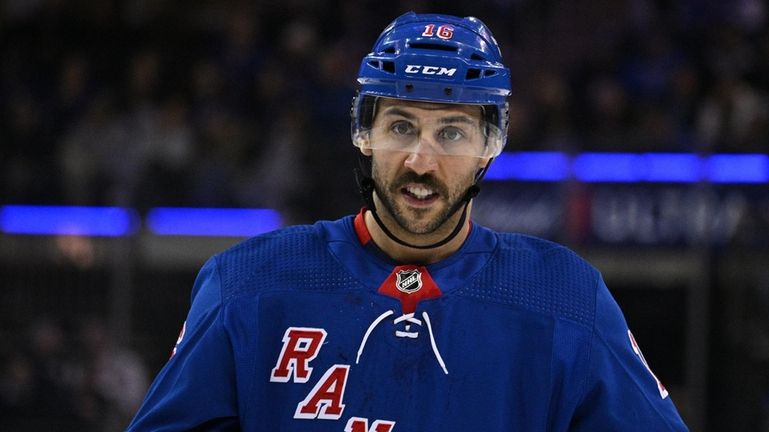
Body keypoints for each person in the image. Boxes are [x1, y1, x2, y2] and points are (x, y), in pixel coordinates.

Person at [128, 12, 689, 431]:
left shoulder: (566, 297)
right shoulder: (248, 284)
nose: (421, 160)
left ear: (489, 146)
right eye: (401, 127)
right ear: (364, 133)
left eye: (451, 132)